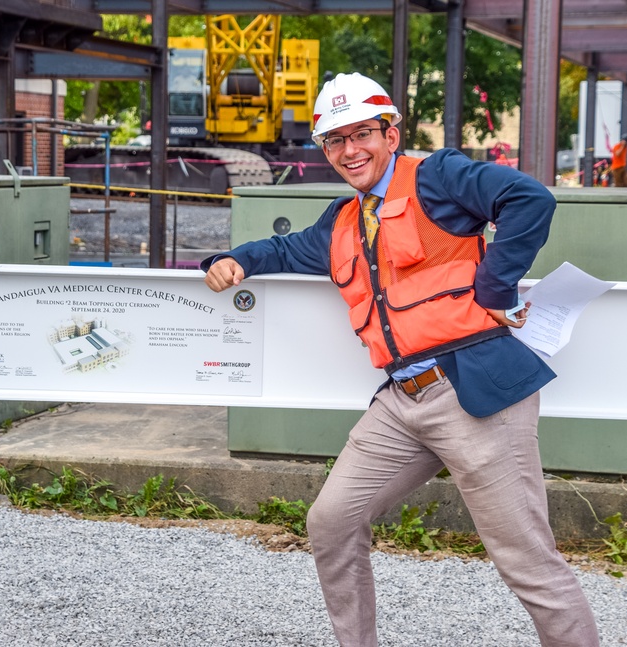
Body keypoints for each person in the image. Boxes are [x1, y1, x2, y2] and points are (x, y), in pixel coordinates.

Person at [202, 73, 599, 647]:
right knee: (330, 522)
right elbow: (284, 249)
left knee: (526, 560)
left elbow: (529, 199)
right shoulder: (341, 221)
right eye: (333, 141)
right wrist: (231, 259)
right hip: (401, 401)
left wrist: (494, 287)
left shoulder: (437, 177)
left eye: (361, 133)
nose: (348, 151)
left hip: (475, 394)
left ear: (391, 132)